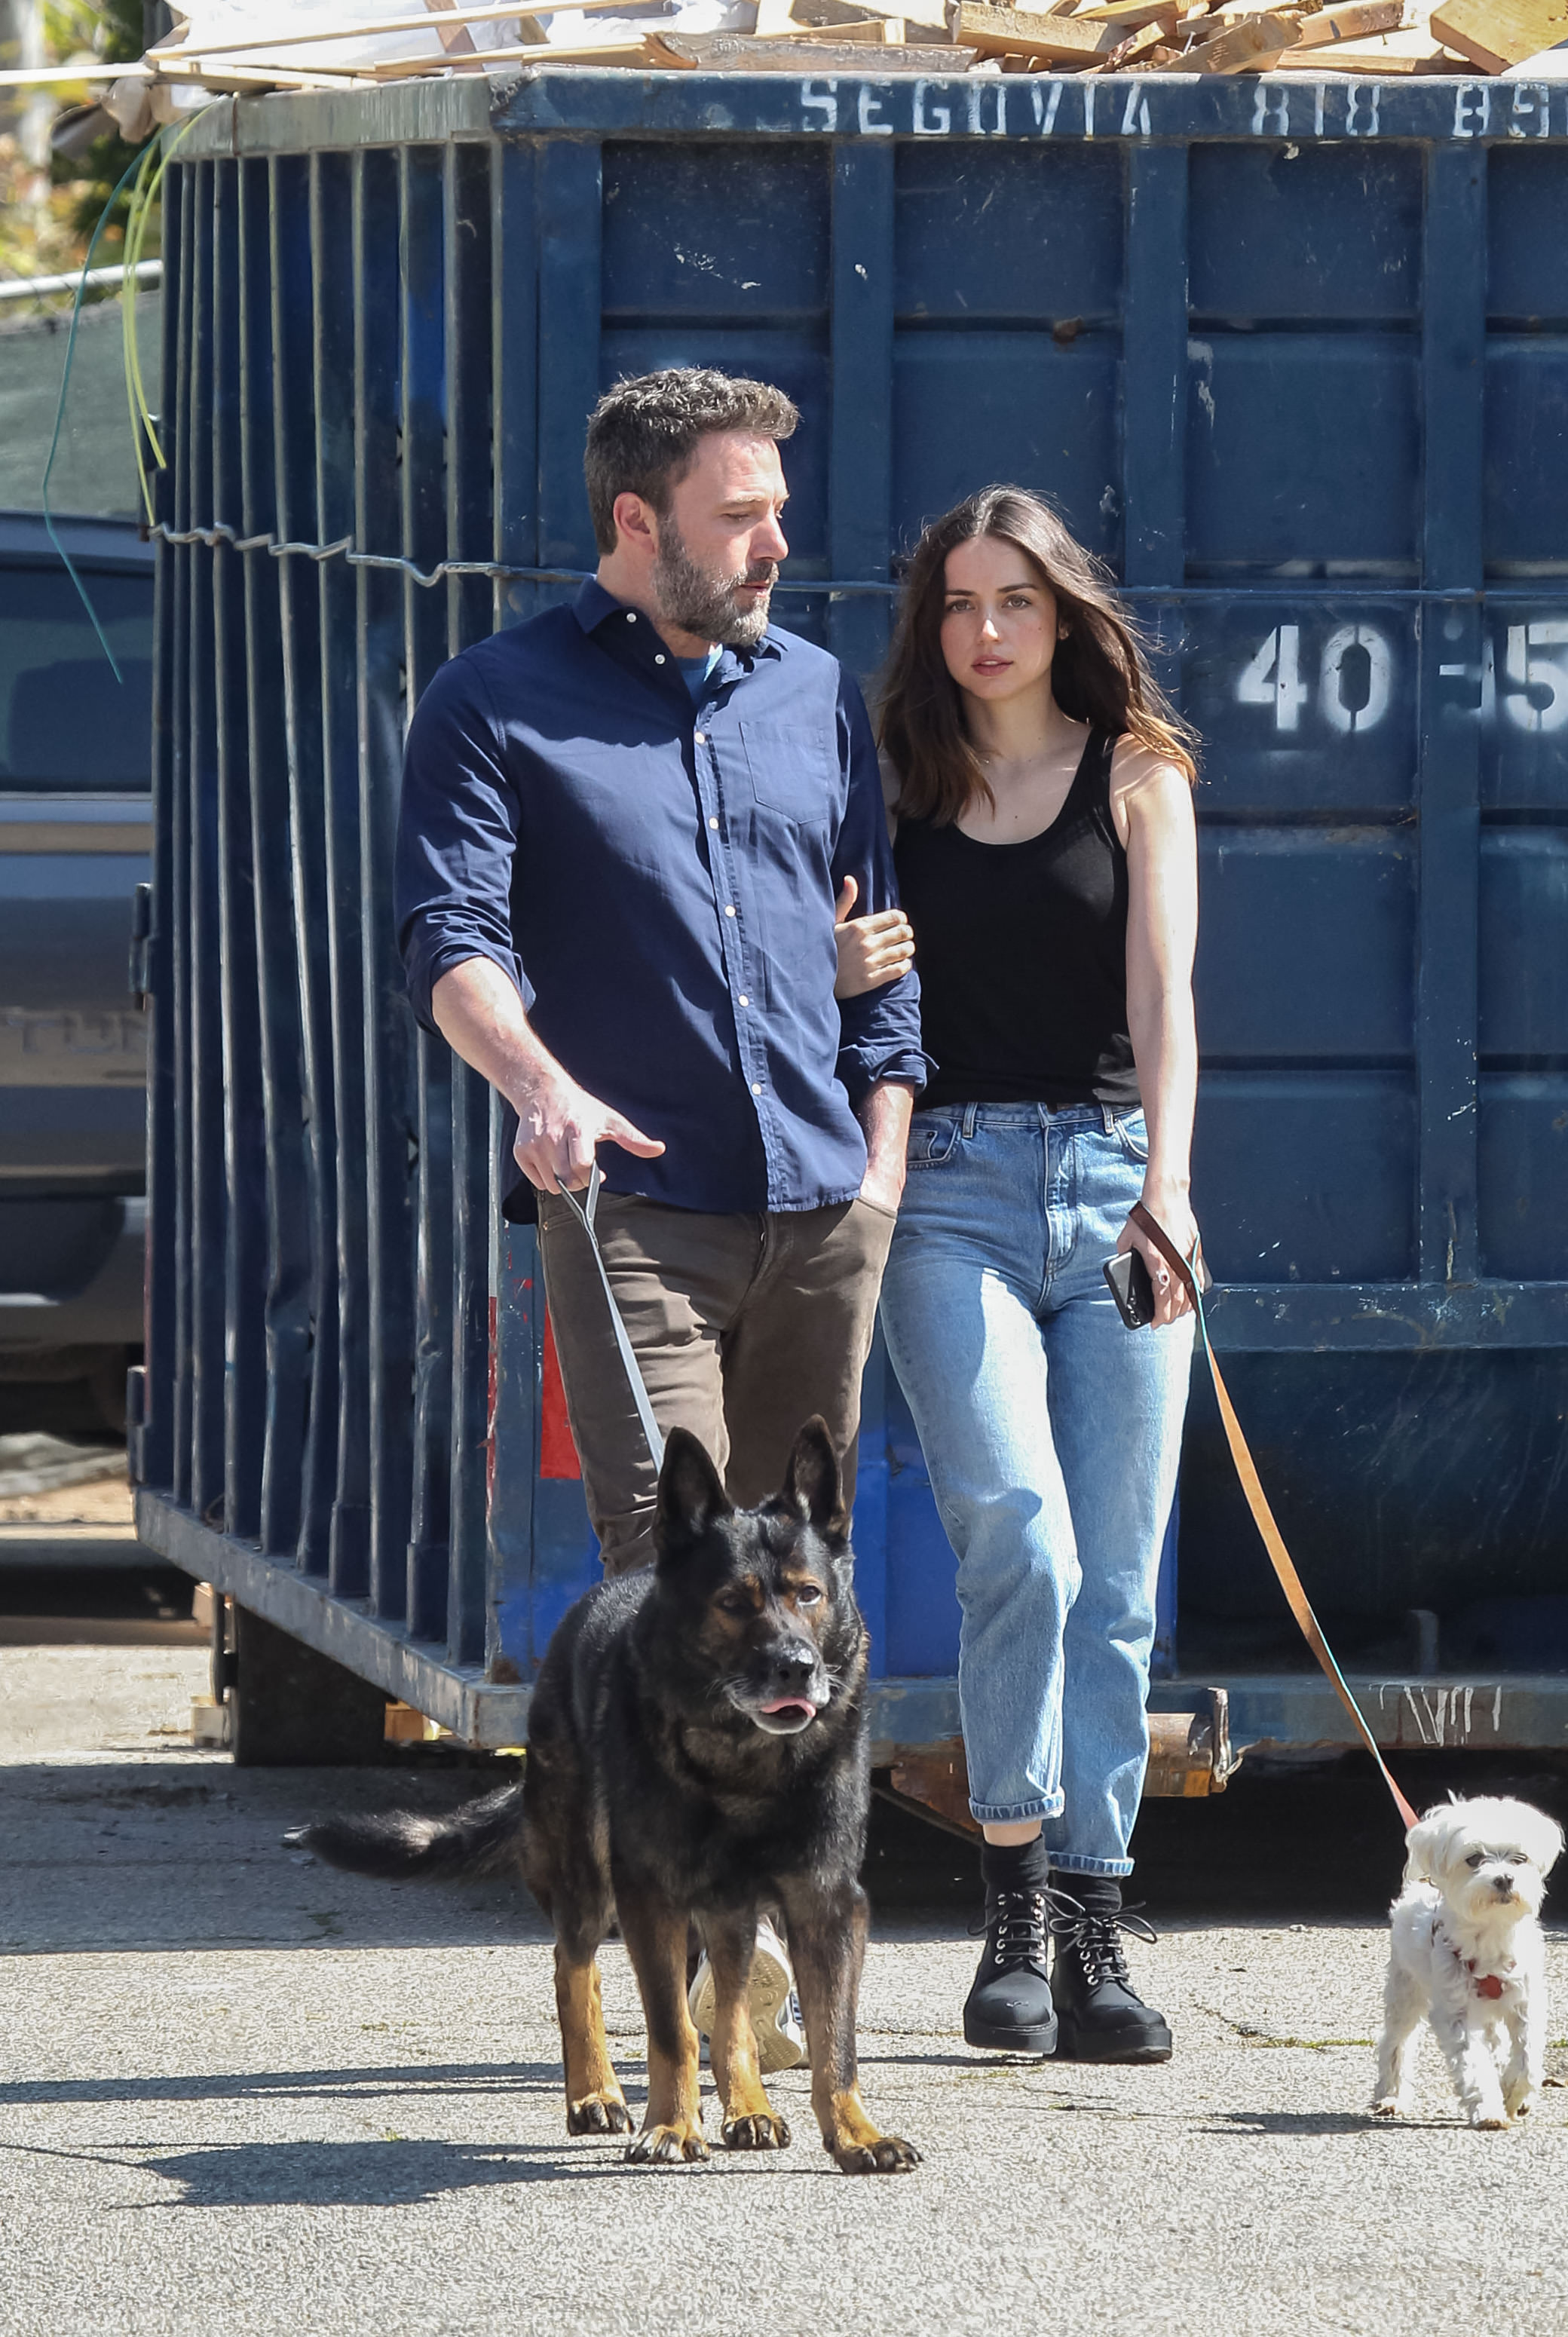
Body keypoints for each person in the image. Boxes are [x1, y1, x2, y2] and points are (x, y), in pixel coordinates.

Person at [394, 367, 926, 2072]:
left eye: (775, 506)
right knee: (670, 1587)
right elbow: (450, 941)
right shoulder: (495, 702)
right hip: (630, 1208)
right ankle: (719, 1989)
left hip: (822, 1204)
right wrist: (538, 1083)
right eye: (740, 514)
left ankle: (759, 1945)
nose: (778, 542)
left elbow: (877, 949)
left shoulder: (820, 696)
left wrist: (885, 1157)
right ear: (638, 523)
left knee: (811, 1605)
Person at [838, 485, 1200, 2063]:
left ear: (1065, 616)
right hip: (952, 1197)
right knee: (1021, 1537)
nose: (983, 634)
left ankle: (1096, 1934)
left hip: (1120, 1183)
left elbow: (1167, 998)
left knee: (1116, 1580)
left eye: (1014, 604)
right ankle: (1006, 1915)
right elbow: (817, 974)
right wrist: (835, 962)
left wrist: (1172, 1192)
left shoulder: (1138, 776)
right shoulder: (897, 780)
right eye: (958, 606)